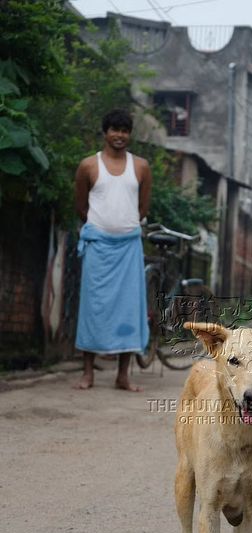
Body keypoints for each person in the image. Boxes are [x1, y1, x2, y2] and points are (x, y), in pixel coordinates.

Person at [74, 108, 152, 390]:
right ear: (105, 132)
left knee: (129, 309)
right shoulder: (88, 166)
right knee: (92, 308)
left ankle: (123, 375)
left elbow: (143, 207)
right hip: (98, 247)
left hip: (129, 247)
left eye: (125, 130)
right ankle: (87, 373)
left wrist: (123, 227)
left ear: (129, 135)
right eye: (114, 130)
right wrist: (102, 227)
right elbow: (81, 206)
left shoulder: (141, 166)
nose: (119, 135)